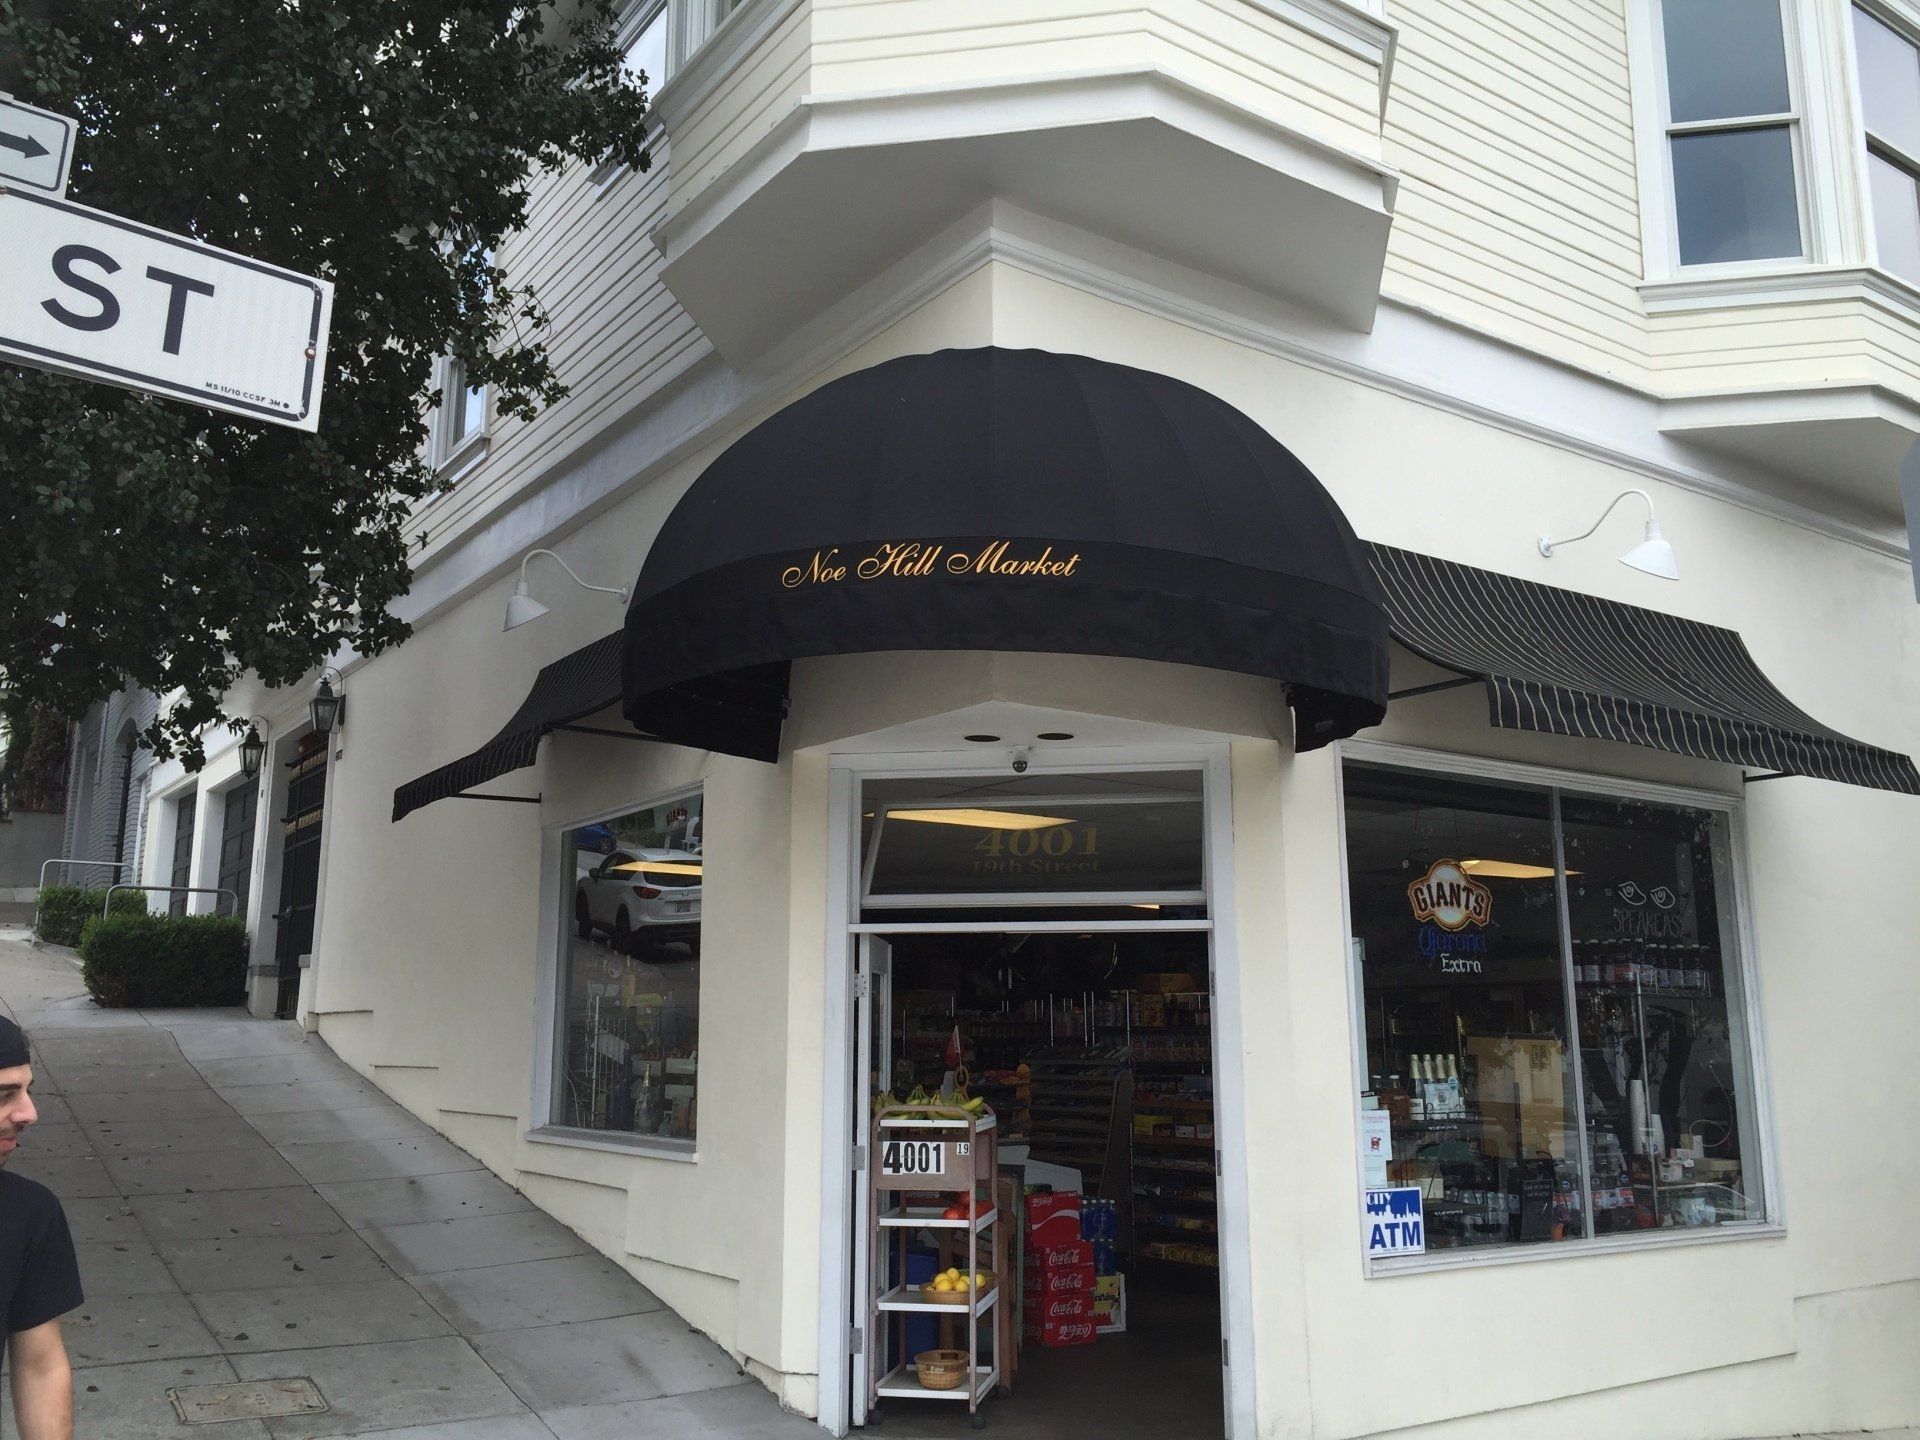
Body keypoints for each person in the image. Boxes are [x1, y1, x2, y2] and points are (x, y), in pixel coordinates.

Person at [0, 1014, 81, 1440]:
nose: (29, 1112)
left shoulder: (30, 1213)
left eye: (28, 1090)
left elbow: (40, 1367)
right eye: (4, 1095)